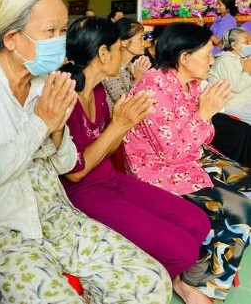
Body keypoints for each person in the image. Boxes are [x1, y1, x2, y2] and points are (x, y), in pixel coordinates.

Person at [0, 0, 171, 304]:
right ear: (12, 38)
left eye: (63, 30)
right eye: (50, 31)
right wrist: (41, 123)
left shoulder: (44, 82)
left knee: (150, 280)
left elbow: (65, 164)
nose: (60, 41)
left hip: (54, 216)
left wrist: (57, 130)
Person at [60, 17, 211, 303]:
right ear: (103, 53)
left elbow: (109, 147)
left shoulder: (98, 90)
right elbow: (75, 172)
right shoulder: (66, 96)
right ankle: (155, 280)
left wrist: (123, 125)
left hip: (110, 178)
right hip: (83, 192)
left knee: (197, 223)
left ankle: (170, 276)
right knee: (183, 250)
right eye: (120, 48)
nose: (127, 55)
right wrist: (119, 125)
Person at [125, 22, 251, 300]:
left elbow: (204, 137)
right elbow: (172, 153)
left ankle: (219, 258)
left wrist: (206, 113)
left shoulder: (189, 84)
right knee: (240, 210)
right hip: (159, 170)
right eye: (206, 55)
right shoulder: (153, 88)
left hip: (191, 156)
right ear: (184, 58)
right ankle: (197, 281)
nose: (211, 61)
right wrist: (204, 114)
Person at [207, 27, 251, 124]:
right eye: (246, 42)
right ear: (233, 45)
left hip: (245, 101)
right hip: (233, 105)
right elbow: (237, 87)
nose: (249, 44)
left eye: (250, 41)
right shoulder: (225, 60)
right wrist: (247, 71)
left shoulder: (242, 58)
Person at [102, 18, 151, 105]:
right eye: (140, 38)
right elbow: (123, 105)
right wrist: (138, 79)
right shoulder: (111, 69)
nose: (144, 42)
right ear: (124, 42)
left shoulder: (130, 66)